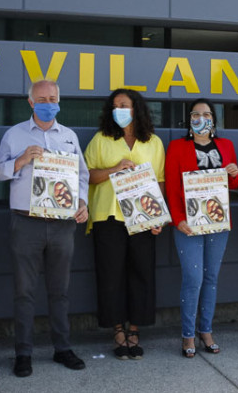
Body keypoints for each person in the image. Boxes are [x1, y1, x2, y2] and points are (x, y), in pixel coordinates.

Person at [0, 80, 90, 377]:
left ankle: (62, 348)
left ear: (59, 100)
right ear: (31, 102)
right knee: (25, 292)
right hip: (26, 223)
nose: (49, 102)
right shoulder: (14, 134)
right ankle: (23, 352)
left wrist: (82, 202)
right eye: (43, 98)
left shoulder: (69, 136)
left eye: (53, 98)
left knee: (59, 291)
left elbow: (82, 176)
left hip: (62, 224)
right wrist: (21, 161)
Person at [84, 89, 165, 360]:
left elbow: (160, 182)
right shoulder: (101, 139)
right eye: (116, 105)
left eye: (125, 105)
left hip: (143, 218)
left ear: (136, 109)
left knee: (141, 273)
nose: (119, 109)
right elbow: (88, 176)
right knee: (111, 276)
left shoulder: (153, 142)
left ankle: (135, 330)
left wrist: (158, 218)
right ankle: (118, 330)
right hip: (108, 218)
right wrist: (114, 170)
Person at [164, 98, 238, 358]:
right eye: (195, 114)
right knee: (193, 278)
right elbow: (172, 187)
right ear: (189, 120)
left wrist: (234, 173)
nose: (200, 118)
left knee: (210, 278)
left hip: (218, 222)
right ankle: (188, 334)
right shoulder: (176, 147)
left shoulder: (226, 145)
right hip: (188, 223)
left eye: (206, 114)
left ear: (213, 120)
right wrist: (177, 219)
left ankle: (206, 330)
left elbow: (234, 184)